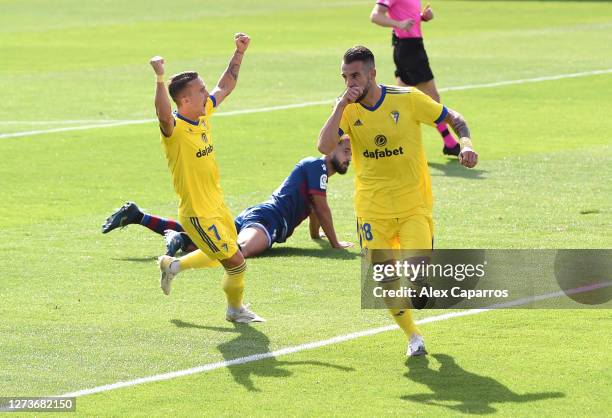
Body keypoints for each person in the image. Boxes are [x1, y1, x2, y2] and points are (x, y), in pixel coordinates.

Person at [318, 46, 478, 356]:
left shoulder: (407, 99)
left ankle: (419, 286)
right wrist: (339, 105)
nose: (350, 82)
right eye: (345, 77)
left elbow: (455, 118)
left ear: (372, 74)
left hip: (412, 207)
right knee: (386, 280)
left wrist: (466, 144)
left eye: (355, 76)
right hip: (371, 210)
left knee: (417, 278)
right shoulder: (347, 110)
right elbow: (325, 146)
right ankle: (413, 336)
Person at [148, 33, 264, 323]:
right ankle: (235, 311)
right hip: (198, 212)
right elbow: (163, 115)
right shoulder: (174, 130)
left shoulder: (203, 114)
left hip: (217, 204)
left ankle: (171, 266)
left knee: (221, 255)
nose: (206, 93)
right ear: (185, 99)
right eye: (200, 90)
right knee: (236, 263)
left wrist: (239, 53)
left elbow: (225, 86)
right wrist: (160, 78)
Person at [101, 138, 354, 258]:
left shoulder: (317, 174)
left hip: (258, 215)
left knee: (213, 238)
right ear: (331, 147)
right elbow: (321, 207)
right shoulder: (316, 166)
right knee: (235, 253)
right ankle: (182, 240)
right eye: (345, 150)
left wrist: (316, 235)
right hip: (266, 221)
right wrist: (335, 243)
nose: (349, 158)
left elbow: (314, 209)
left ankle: (139, 216)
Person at [370, 1, 460, 156]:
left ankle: (393, 143)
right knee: (432, 99)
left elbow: (407, 16)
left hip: (413, 47)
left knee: (401, 102)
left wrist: (422, 17)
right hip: (409, 51)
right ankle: (449, 143)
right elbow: (375, 16)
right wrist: (399, 24)